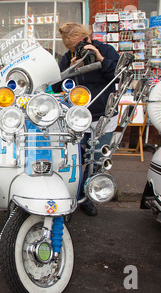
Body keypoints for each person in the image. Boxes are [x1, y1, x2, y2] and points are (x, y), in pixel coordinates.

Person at [52, 22, 120, 216]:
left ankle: (88, 199)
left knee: (96, 161)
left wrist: (100, 59)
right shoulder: (68, 58)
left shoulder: (106, 50)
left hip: (103, 119)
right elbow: (56, 86)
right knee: (75, 160)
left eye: (83, 43)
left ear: (88, 37)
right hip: (78, 119)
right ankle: (72, 196)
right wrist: (71, 70)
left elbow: (117, 77)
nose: (81, 49)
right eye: (75, 48)